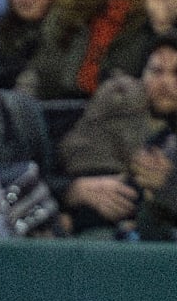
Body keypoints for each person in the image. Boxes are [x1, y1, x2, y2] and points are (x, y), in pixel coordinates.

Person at [57, 31, 177, 239]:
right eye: (157, 72)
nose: (166, 83)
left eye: (176, 73)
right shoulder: (117, 104)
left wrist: (167, 188)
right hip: (89, 230)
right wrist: (71, 191)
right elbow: (54, 169)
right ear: (141, 76)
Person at [16, 0, 156, 100]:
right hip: (58, 107)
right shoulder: (68, 11)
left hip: (119, 114)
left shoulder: (150, 17)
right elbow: (40, 69)